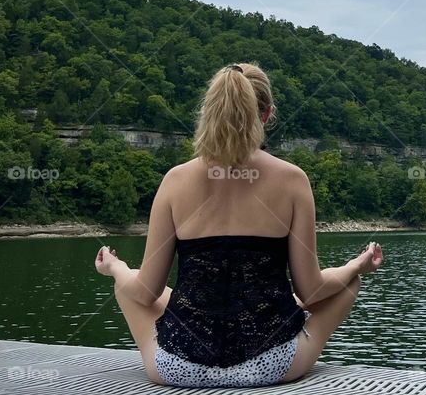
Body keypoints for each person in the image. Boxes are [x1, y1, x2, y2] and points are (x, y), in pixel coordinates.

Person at [93, 62, 384, 387]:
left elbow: (146, 292)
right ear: (266, 114)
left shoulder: (174, 181)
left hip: (178, 367)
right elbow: (312, 290)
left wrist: (116, 268)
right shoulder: (292, 181)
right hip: (271, 365)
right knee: (348, 282)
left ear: (210, 111)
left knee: (128, 285)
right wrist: (355, 265)